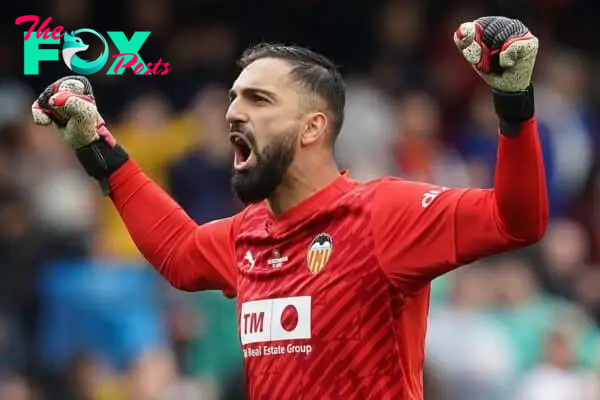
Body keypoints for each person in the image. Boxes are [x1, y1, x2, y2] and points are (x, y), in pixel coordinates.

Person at [31, 16, 548, 400]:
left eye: (259, 99)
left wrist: (513, 103)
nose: (233, 111)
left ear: (312, 128)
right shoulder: (247, 235)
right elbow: (180, 253)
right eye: (235, 97)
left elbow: (516, 221)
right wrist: (98, 152)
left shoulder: (385, 212)